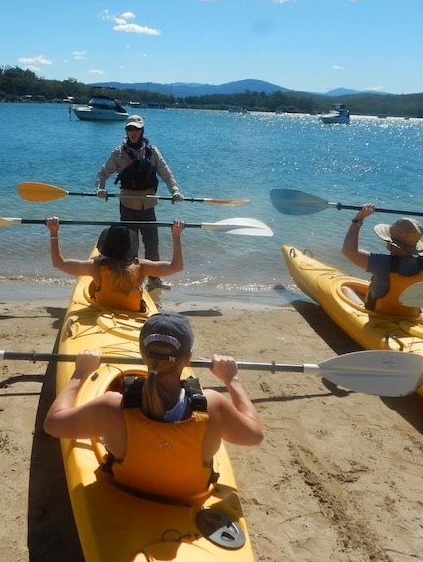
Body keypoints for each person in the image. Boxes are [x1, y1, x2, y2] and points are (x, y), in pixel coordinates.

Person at [44, 311, 264, 500]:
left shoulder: (110, 407)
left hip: (128, 493)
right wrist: (231, 379)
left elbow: (53, 424)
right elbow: (254, 435)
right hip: (189, 497)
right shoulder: (213, 405)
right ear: (187, 358)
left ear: (142, 354)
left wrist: (80, 374)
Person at [95, 114, 184, 291]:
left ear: (142, 130)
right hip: (128, 206)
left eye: (136, 129)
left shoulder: (152, 152)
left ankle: (154, 280)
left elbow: (166, 174)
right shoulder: (119, 153)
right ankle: (130, 278)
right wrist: (100, 189)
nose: (133, 132)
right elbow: (102, 174)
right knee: (129, 246)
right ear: (126, 131)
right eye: (129, 129)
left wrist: (175, 191)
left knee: (152, 245)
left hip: (148, 206)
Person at [45, 216, 184, 312]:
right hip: (134, 314)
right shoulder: (142, 267)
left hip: (103, 311)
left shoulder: (95, 267)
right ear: (130, 247)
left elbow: (59, 263)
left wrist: (53, 233)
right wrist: (176, 235)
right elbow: (176, 267)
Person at [341, 204, 423, 316]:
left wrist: (358, 219)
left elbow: (349, 251)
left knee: (345, 289)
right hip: (408, 316)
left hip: (378, 314)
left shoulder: (381, 263)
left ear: (391, 243)